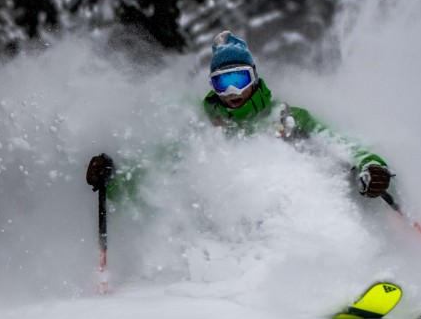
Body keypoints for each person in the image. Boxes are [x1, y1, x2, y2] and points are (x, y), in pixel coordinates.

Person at [86, 30, 393, 199]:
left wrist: (370, 165)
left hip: (284, 229)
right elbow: (153, 182)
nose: (232, 93)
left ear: (254, 78)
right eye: (222, 83)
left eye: (238, 80)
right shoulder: (201, 129)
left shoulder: (288, 117)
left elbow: (340, 144)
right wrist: (112, 179)